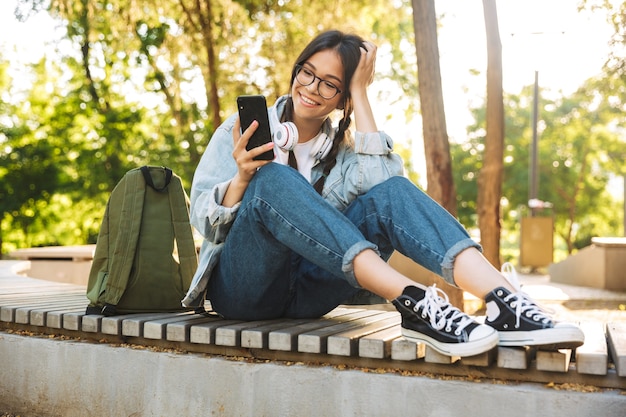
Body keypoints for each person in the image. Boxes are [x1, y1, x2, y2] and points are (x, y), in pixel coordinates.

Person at [182, 30, 584, 357]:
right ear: (296, 70)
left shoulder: (343, 154)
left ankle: (506, 302)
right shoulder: (243, 130)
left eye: (331, 85)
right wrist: (240, 180)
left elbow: (385, 185)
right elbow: (202, 219)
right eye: (307, 73)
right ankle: (413, 302)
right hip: (244, 291)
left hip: (309, 290)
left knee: (391, 190)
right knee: (272, 179)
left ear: (341, 99)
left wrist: (362, 91)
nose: (313, 88)